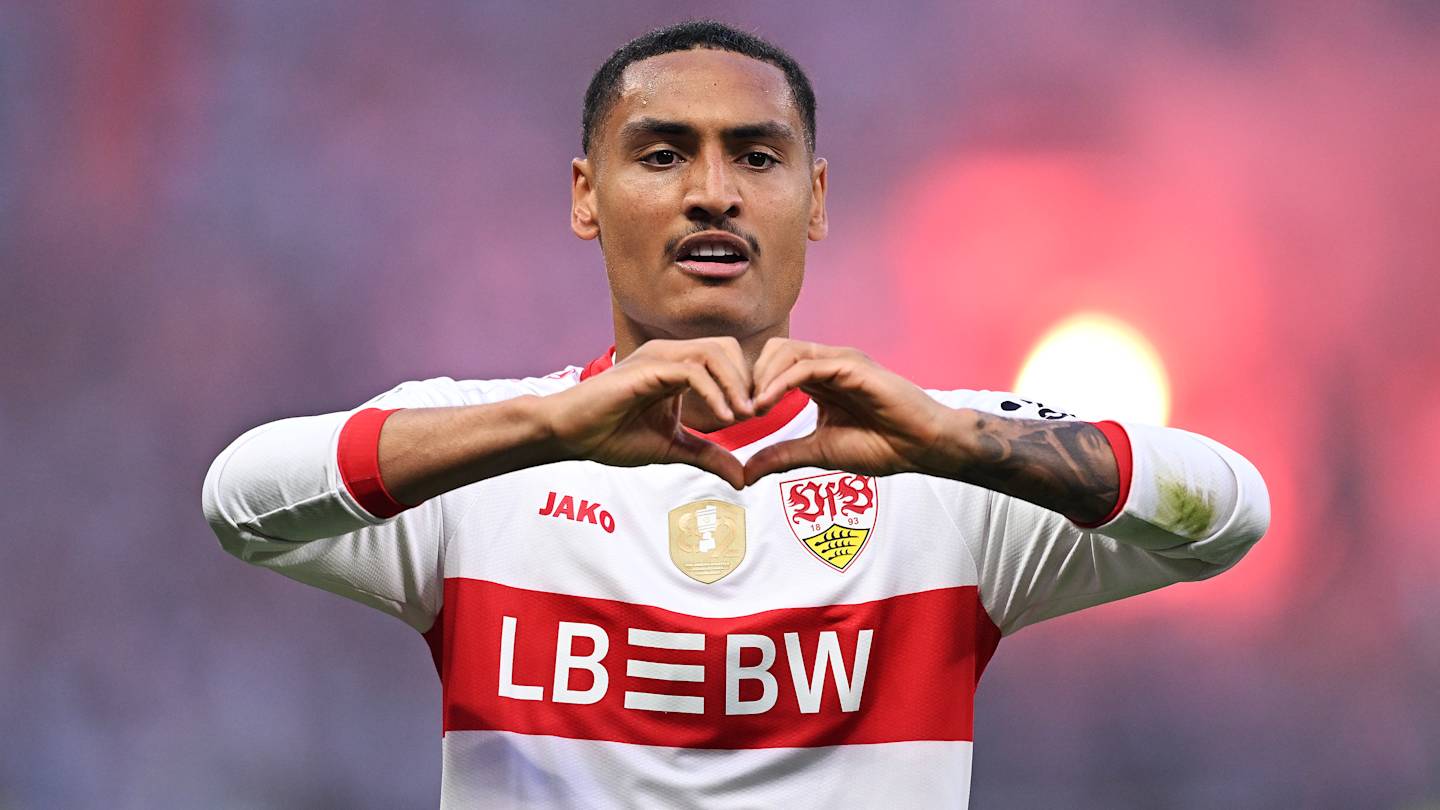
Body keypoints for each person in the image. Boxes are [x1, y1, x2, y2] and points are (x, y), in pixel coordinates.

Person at [202, 20, 1269, 809]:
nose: (713, 191)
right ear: (585, 195)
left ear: (816, 197)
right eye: (662, 153)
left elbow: (1231, 513)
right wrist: (550, 430)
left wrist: (956, 442)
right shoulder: (489, 450)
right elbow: (240, 501)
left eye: (757, 156)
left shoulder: (943, 467)